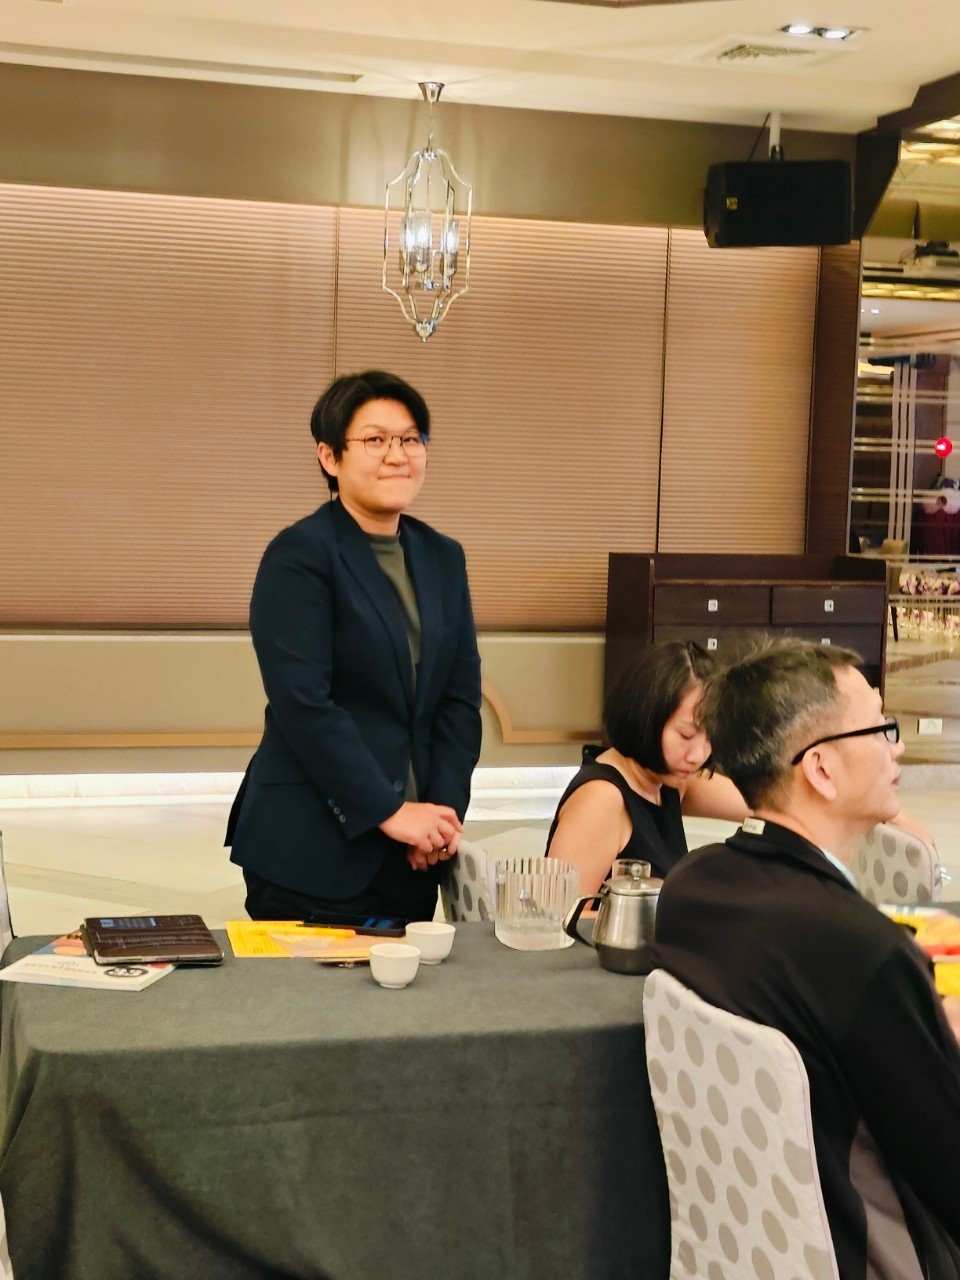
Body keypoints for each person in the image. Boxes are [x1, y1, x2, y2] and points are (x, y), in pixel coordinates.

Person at [644, 639, 960, 1279]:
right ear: (820, 769)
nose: (896, 748)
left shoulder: (693, 886)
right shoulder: (862, 951)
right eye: (880, 727)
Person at [225, 370, 482, 922]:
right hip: (312, 849)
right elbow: (304, 704)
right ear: (329, 456)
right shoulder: (299, 556)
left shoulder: (443, 557)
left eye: (410, 439)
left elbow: (459, 702)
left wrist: (439, 816)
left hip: (412, 855)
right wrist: (390, 811)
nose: (397, 455)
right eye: (375, 440)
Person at [545, 642, 747, 890]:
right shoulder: (601, 799)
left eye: (710, 737)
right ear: (647, 717)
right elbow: (564, 909)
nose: (698, 755)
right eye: (685, 735)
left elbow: (762, 803)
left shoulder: (668, 780)